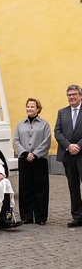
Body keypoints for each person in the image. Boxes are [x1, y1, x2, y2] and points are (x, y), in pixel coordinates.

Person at [14, 98, 51, 225]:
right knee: (25, 188)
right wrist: (25, 153)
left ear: (38, 109)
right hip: (24, 160)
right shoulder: (20, 124)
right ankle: (26, 216)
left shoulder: (44, 124)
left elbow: (47, 141)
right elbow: (16, 140)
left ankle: (40, 217)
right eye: (28, 106)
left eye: (32, 107)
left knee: (40, 189)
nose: (29, 109)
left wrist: (35, 154)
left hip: (39, 160)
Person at [54, 84, 82, 228]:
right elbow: (57, 132)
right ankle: (77, 216)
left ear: (80, 95)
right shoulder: (62, 112)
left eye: (74, 94)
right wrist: (68, 146)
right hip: (68, 155)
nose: (71, 97)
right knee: (73, 186)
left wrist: (78, 146)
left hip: (81, 153)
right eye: (69, 95)